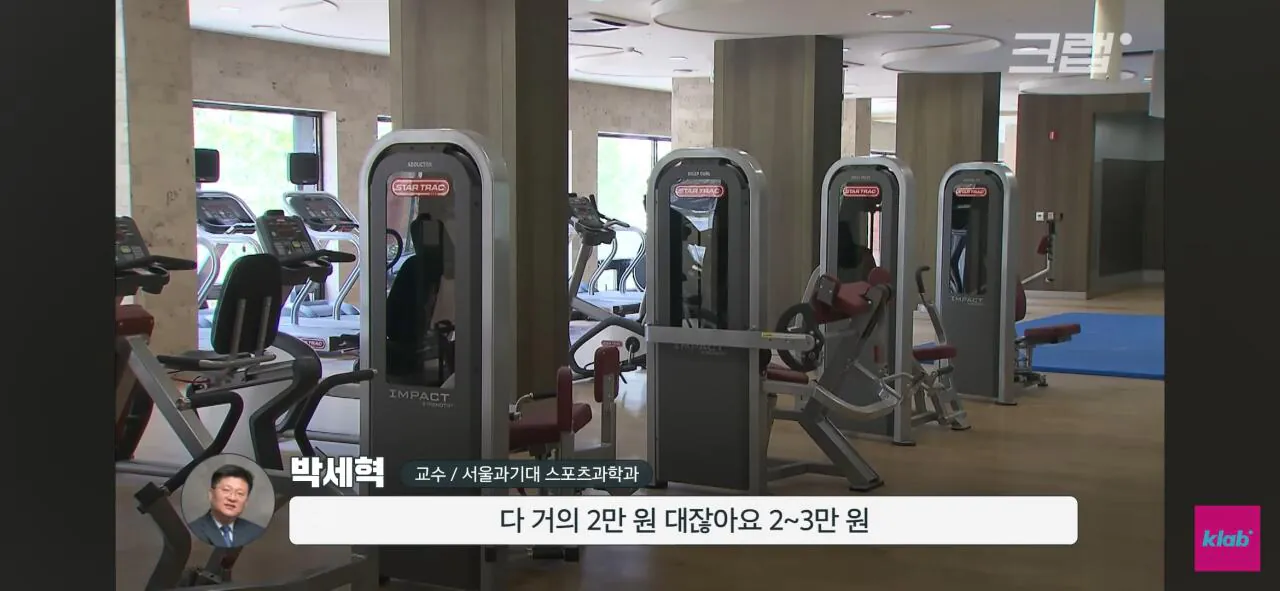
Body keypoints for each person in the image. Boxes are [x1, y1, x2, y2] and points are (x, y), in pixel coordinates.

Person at [187, 464, 267, 549]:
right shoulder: (193, 531)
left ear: (246, 501)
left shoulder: (256, 532)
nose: (232, 498)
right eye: (226, 490)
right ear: (211, 494)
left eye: (240, 493)